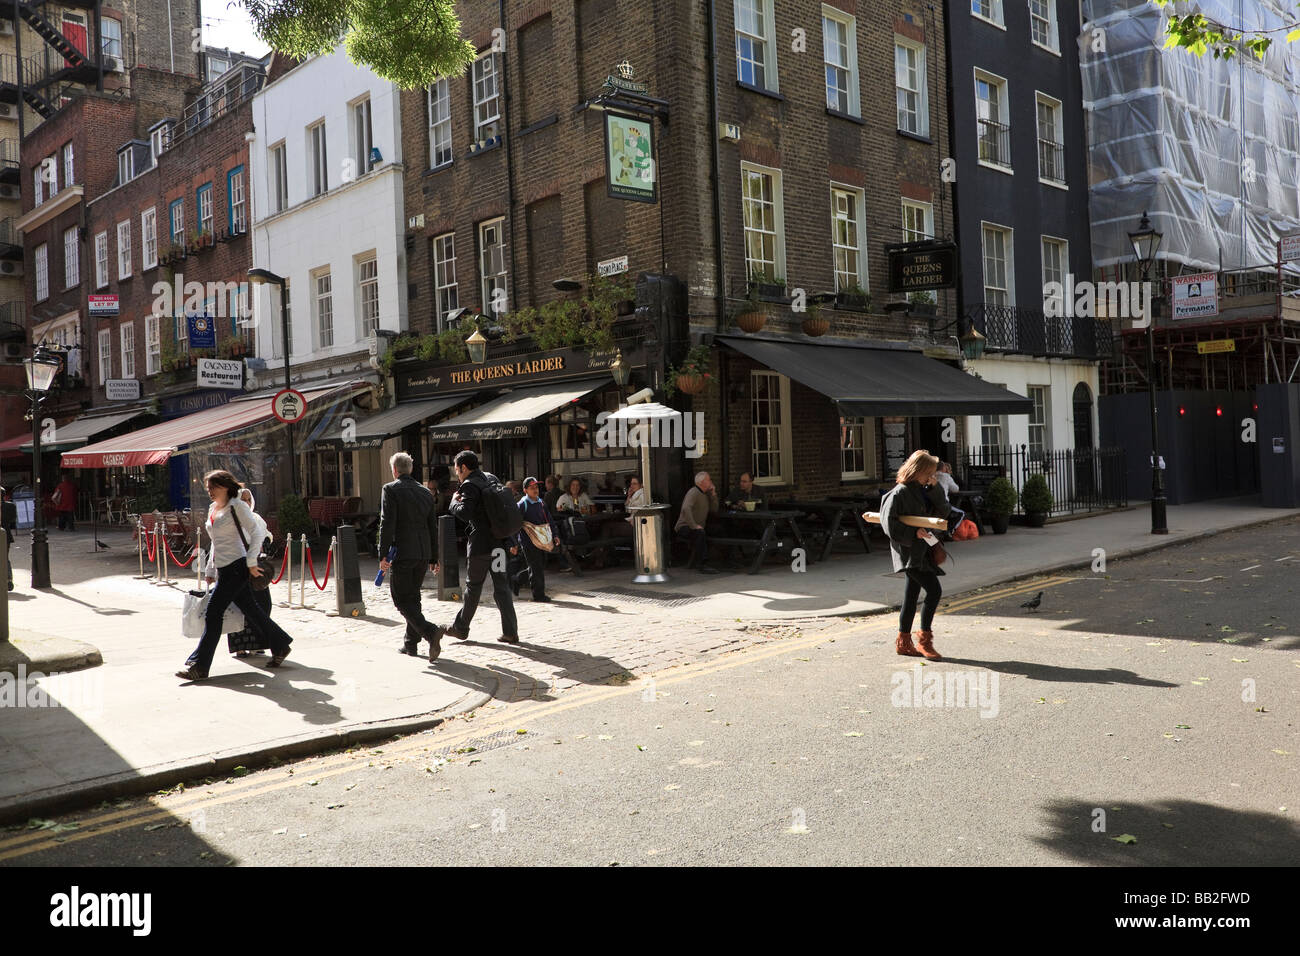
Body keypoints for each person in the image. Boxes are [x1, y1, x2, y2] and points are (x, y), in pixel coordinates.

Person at [176, 470, 294, 682]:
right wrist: (211, 569)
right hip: (224, 568)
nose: (209, 491)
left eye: (212, 487)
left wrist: (250, 562)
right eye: (208, 488)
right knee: (252, 611)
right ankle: (281, 645)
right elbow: (216, 542)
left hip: (237, 567)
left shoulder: (237, 506)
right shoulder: (214, 508)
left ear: (225, 487)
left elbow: (256, 532)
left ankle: (200, 666)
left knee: (213, 614)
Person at [439, 450, 518, 644]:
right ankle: (510, 632)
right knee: (501, 586)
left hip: (480, 548)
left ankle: (460, 628)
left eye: (457, 471)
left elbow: (464, 513)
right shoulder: (491, 478)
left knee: (473, 587)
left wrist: (452, 503)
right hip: (499, 544)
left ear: (464, 468)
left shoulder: (469, 485)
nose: (457, 475)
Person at [879, 450, 948, 661]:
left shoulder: (924, 490)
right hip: (909, 553)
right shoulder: (898, 493)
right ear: (920, 471)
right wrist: (913, 532)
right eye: (930, 472)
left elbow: (944, 511)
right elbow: (888, 524)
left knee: (910, 597)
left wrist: (936, 489)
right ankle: (924, 641)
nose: (932, 476)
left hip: (922, 551)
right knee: (934, 591)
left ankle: (903, 642)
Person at [377, 452, 444, 660]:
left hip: (403, 552)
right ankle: (410, 644)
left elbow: (387, 523)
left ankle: (430, 631)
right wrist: (434, 556)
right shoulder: (425, 492)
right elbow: (432, 526)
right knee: (413, 597)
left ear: (394, 470)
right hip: (422, 552)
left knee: (401, 599)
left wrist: (383, 554)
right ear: (411, 469)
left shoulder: (390, 489)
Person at [221, 486, 275, 660]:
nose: (246, 503)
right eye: (242, 499)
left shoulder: (256, 518)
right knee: (239, 608)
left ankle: (260, 643)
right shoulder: (229, 519)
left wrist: (264, 542)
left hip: (255, 568)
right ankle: (240, 646)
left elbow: (267, 535)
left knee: (263, 604)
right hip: (236, 567)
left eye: (248, 500)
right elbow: (218, 545)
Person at [512, 476, 556, 602]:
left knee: (538, 565)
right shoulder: (522, 505)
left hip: (542, 540)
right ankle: (539, 595)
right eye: (531, 488)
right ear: (525, 490)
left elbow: (549, 520)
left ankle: (517, 580)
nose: (535, 490)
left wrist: (555, 535)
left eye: (536, 487)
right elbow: (515, 524)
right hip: (528, 542)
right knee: (536, 567)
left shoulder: (541, 502)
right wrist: (513, 543)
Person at [674, 471, 720, 574]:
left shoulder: (706, 494)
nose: (711, 482)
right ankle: (702, 564)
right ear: (702, 482)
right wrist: (693, 525)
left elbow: (714, 509)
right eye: (709, 480)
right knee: (700, 533)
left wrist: (713, 494)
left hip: (700, 526)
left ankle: (727, 558)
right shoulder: (693, 492)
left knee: (720, 530)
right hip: (685, 527)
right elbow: (686, 508)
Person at [1, 486, 15, 592]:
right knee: (5, 557)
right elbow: (13, 520)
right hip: (6, 534)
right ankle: (8, 579)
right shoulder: (11, 506)